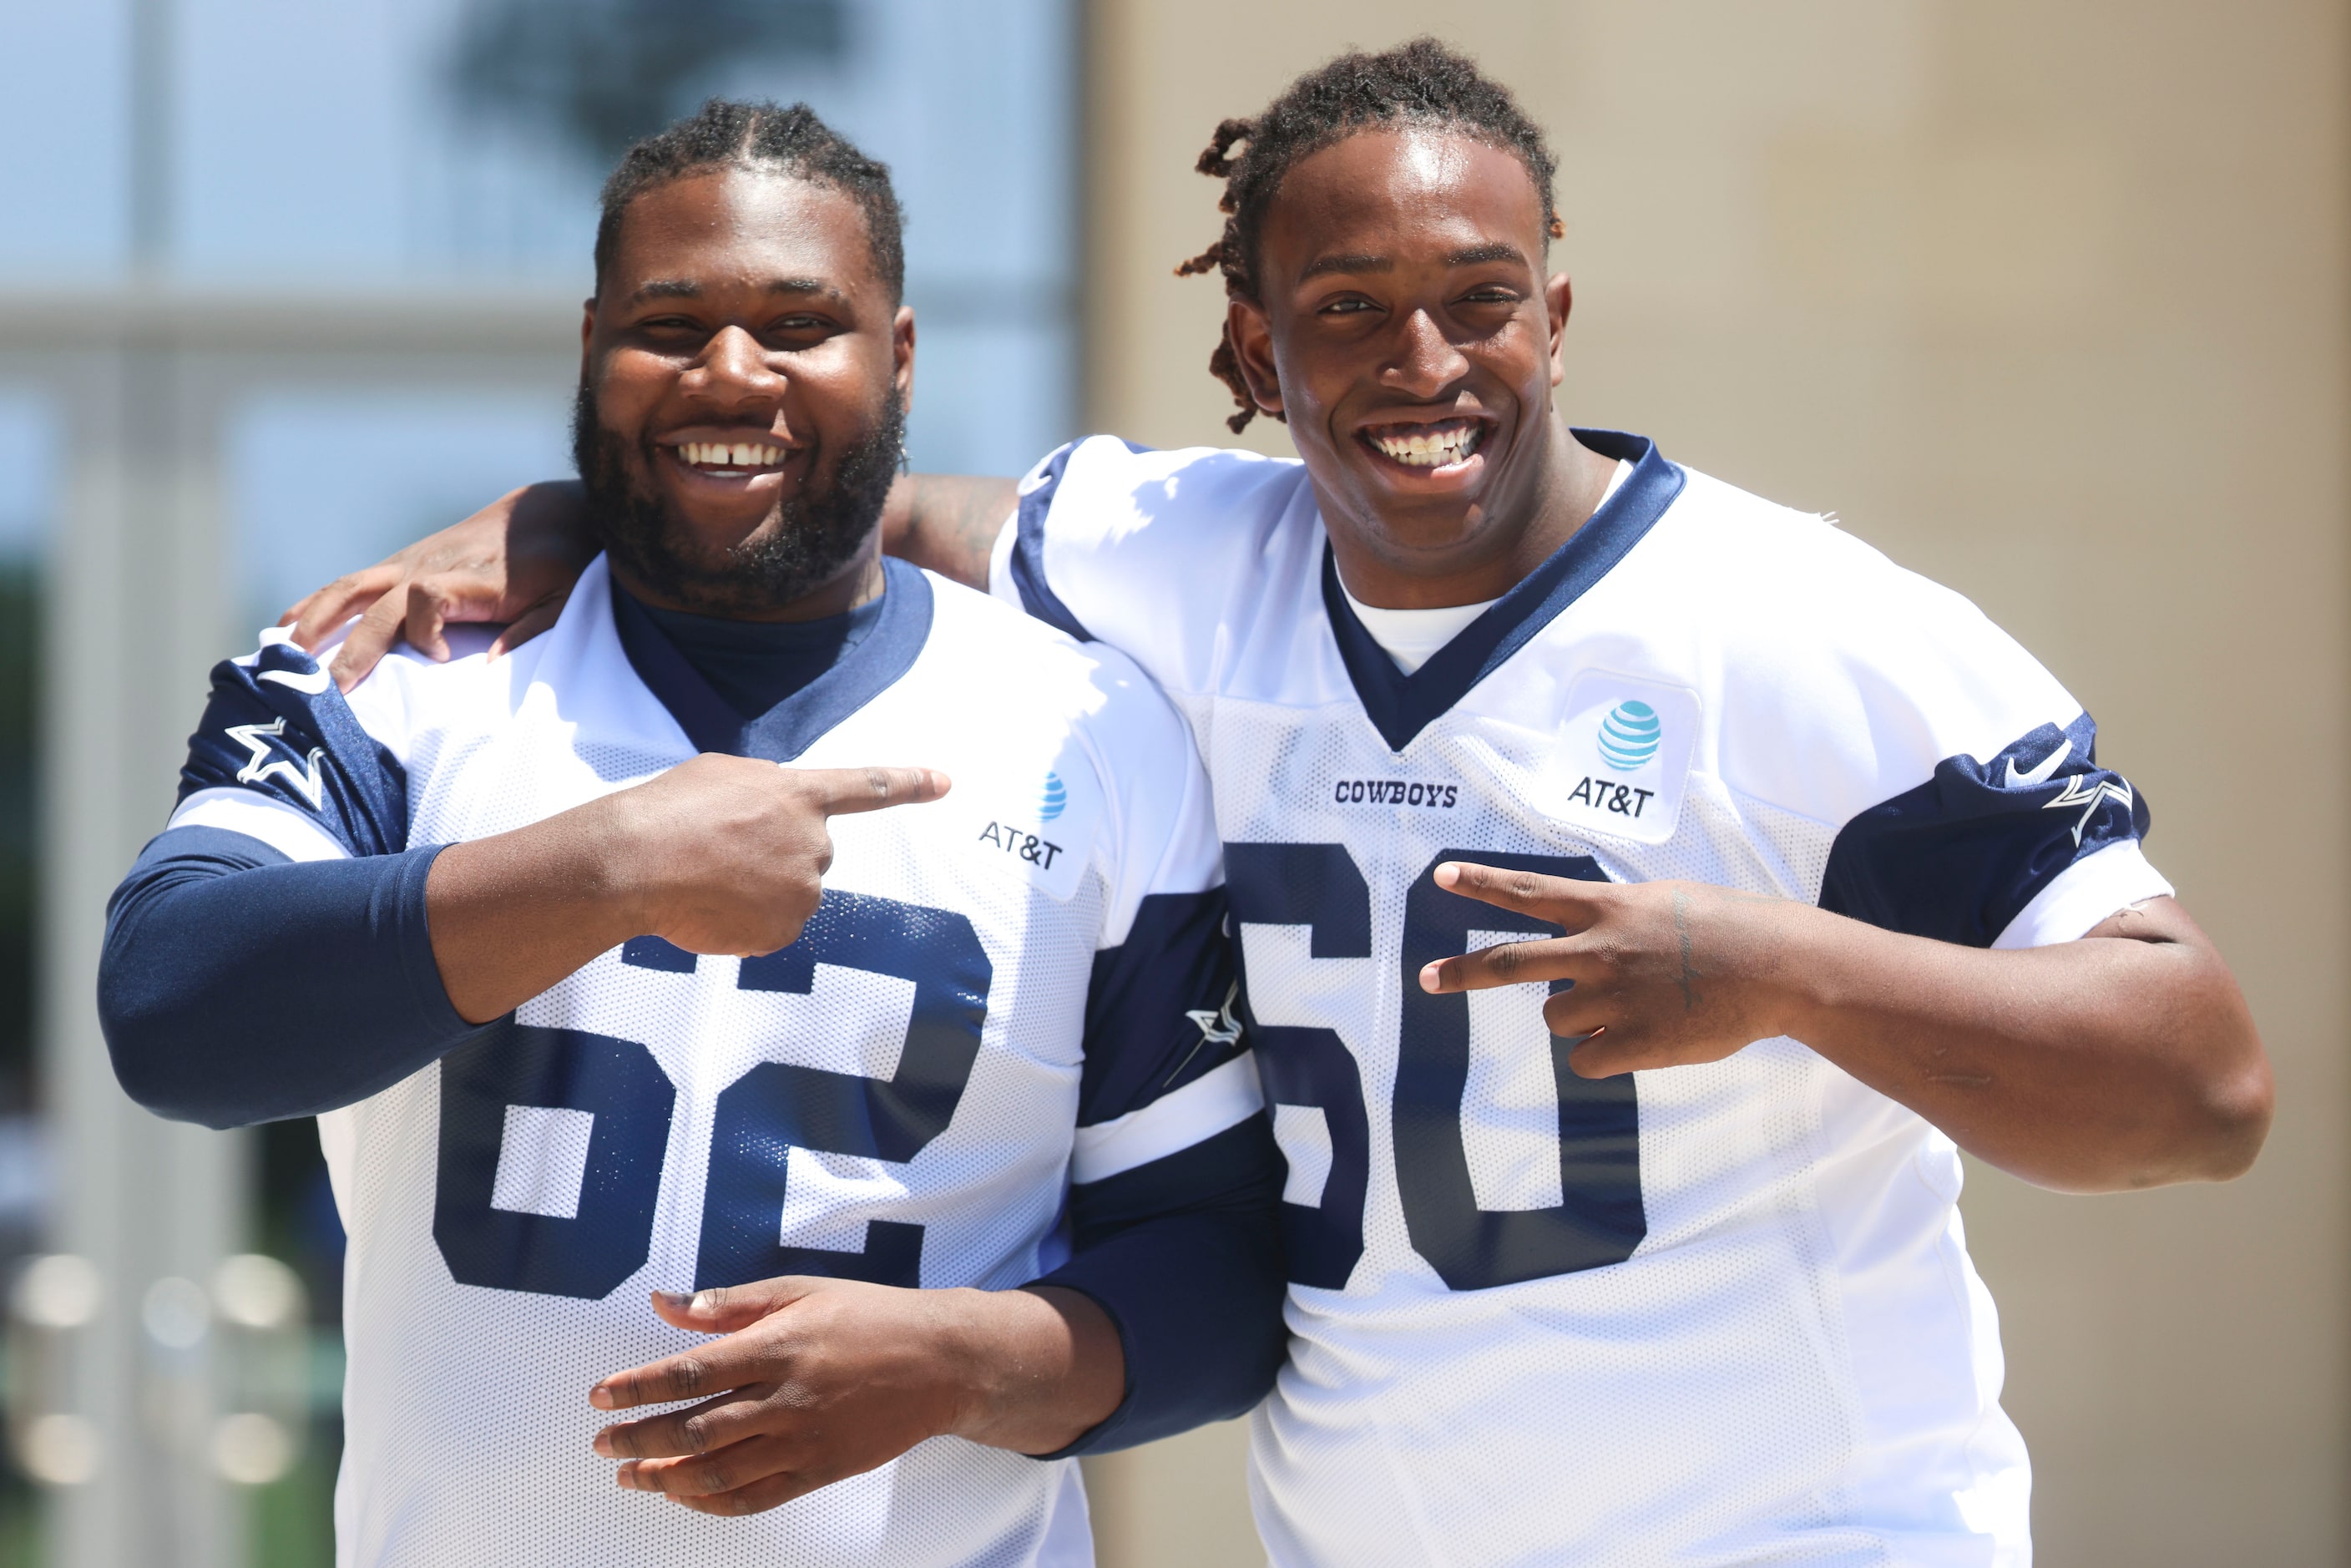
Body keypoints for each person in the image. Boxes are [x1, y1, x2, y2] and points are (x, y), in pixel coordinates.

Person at [289, 41, 2274, 1567]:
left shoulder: (1803, 633)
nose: (1426, 363)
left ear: (1557, 317)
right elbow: (835, 504)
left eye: (1479, 299)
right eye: (1346, 308)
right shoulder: (1169, 555)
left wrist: (1789, 970)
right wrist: (554, 516)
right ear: (1250, 348)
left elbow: (2196, 1085)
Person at [99, 101, 1289, 1566]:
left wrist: (963, 1364)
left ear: (899, 358)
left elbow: (1226, 1264)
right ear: (592, 346)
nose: (733, 371)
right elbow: (171, 1008)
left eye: (801, 324)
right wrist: (613, 862)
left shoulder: (1097, 729)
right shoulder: (396, 667)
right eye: (673, 325)